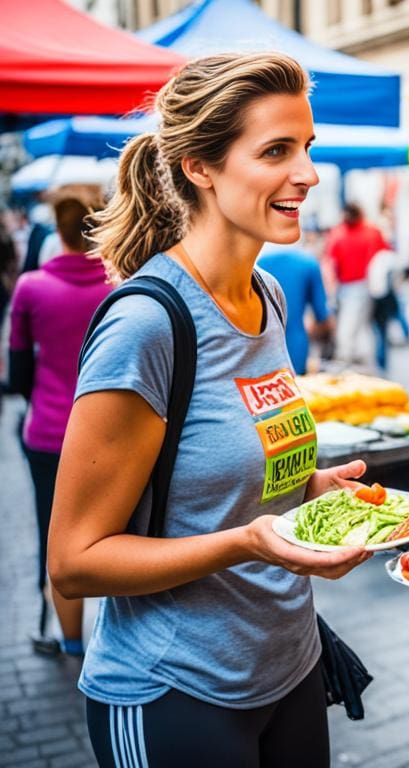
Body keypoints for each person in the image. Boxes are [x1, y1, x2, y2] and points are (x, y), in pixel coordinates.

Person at [47, 53, 371, 768]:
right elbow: (73, 561)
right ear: (201, 166)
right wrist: (248, 542)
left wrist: (311, 494)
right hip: (174, 690)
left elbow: (237, 486)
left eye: (308, 148)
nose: (309, 174)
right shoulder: (147, 326)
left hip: (289, 665)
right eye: (277, 151)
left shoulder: (269, 298)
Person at [8, 194, 112, 656]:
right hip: (115, 436)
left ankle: (71, 643)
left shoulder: (30, 288)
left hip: (49, 432)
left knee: (57, 535)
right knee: (117, 531)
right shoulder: (118, 285)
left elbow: (17, 374)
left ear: (57, 230)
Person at [324, 203, 387, 364]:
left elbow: (330, 264)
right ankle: (362, 359)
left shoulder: (339, 234)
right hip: (364, 286)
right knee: (361, 326)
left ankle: (348, 359)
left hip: (354, 286)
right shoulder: (371, 232)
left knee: (349, 328)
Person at [258, 242, 331, 374]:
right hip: (296, 348)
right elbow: (322, 315)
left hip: (262, 351)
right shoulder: (308, 263)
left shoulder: (259, 264)